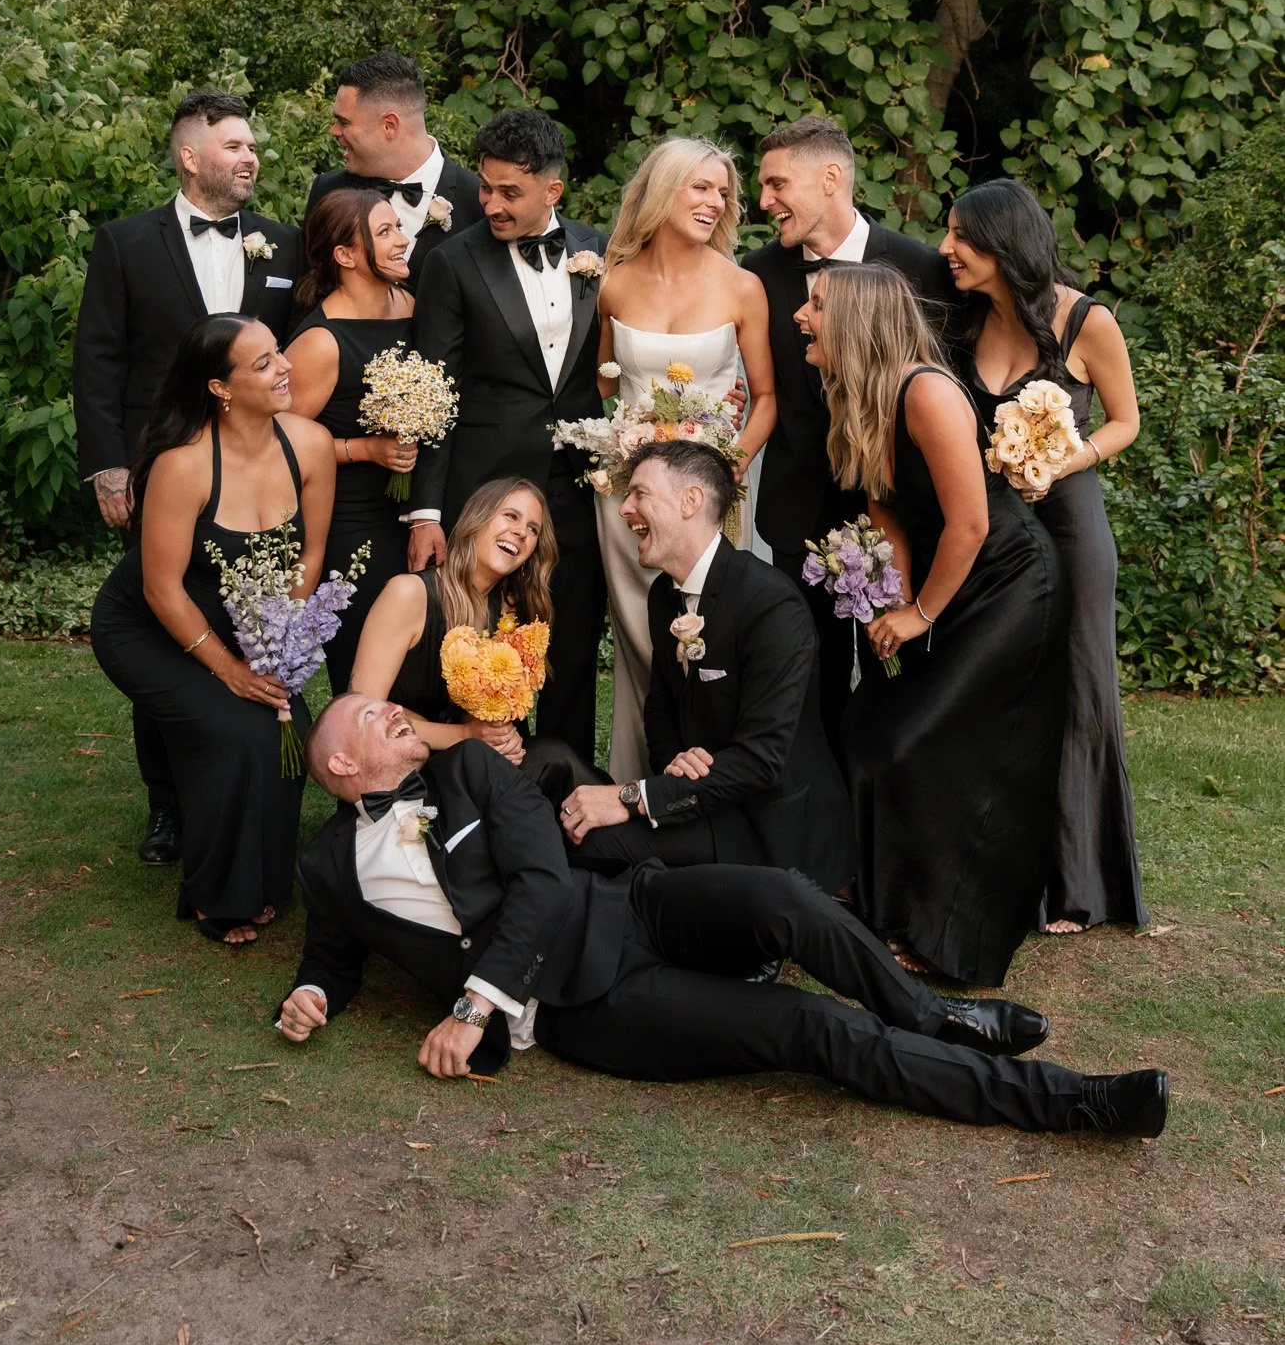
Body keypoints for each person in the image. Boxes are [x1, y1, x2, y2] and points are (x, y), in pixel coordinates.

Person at [276, 696, 1171, 1142]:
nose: (402, 716)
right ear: (342, 763)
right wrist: (313, 992)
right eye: (380, 719)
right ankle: (1075, 1102)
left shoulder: (467, 771)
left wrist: (470, 1008)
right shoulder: (328, 865)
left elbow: (546, 879)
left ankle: (934, 1013)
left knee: (784, 894)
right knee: (810, 1025)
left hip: (628, 905)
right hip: (592, 1002)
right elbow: (334, 955)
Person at [801, 263, 1069, 987]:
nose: (801, 317)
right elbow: (886, 509)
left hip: (1009, 585)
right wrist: (896, 600)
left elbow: (971, 521)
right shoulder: (856, 395)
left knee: (917, 741)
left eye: (816, 306)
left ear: (856, 321)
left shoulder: (928, 392)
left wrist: (921, 613)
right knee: (867, 725)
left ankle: (948, 928)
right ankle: (885, 900)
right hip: (943, 585)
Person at [73, 89, 301, 864]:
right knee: (164, 623)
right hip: (159, 471)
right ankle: (166, 805)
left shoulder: (283, 243)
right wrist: (108, 464)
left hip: (255, 474)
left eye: (252, 146)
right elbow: (98, 357)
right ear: (190, 155)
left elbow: (292, 357)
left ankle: (248, 778)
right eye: (234, 146)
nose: (250, 158)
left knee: (248, 620)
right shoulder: (125, 244)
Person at [942, 178, 1147, 936]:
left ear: (1004, 242)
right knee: (996, 691)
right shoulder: (962, 322)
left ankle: (1074, 886)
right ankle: (993, 871)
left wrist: (1066, 457)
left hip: (1066, 528)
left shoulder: (1085, 320)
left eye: (961, 235)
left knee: (1075, 690)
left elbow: (1126, 421)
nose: (946, 249)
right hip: (990, 534)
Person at [89, 315, 335, 944]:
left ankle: (261, 882)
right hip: (148, 627)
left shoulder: (308, 444)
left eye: (278, 353)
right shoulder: (183, 465)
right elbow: (160, 589)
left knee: (288, 728)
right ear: (221, 388)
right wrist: (230, 670)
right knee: (233, 731)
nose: (283, 367)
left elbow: (309, 556)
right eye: (261, 364)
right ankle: (216, 895)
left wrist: (280, 638)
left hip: (249, 627)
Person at [744, 116, 958, 757]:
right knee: (809, 687)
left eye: (778, 183)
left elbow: (943, 390)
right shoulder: (758, 274)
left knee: (910, 683)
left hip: (901, 512)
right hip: (798, 515)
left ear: (831, 178)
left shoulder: (919, 267)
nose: (763, 202)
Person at [558, 443, 856, 894]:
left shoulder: (770, 603)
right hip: (699, 800)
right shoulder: (663, 595)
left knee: (592, 844)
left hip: (764, 826)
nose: (624, 509)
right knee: (549, 761)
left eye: (639, 493)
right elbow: (659, 708)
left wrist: (633, 797)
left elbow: (761, 762)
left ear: (690, 501)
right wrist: (674, 761)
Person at [406, 110, 608, 762]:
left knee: (572, 647)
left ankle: (566, 787)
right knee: (484, 649)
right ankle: (479, 785)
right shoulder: (452, 262)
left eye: (509, 192)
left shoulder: (600, 251)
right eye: (484, 188)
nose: (490, 203)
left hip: (576, 488)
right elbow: (434, 392)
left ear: (552, 191)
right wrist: (427, 509)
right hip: (485, 490)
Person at [594, 138, 776, 781]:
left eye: (722, 192)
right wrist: (629, 441)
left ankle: (714, 780)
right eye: (700, 187)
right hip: (628, 493)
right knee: (642, 639)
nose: (715, 201)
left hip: (714, 494)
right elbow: (606, 385)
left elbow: (768, 399)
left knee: (711, 633)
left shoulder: (743, 287)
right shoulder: (612, 283)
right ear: (663, 190)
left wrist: (730, 465)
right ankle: (635, 785)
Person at [348, 475, 581, 798]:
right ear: (477, 518)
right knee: (552, 761)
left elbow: (492, 718)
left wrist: (503, 736)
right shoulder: (409, 594)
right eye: (511, 516)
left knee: (556, 761)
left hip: (473, 764)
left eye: (532, 529)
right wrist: (467, 734)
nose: (521, 532)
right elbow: (361, 715)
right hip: (402, 773)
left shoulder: (510, 613)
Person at [285, 189, 417, 692]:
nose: (402, 240)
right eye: (384, 233)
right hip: (351, 522)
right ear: (345, 255)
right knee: (367, 673)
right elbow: (279, 444)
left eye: (397, 228)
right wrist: (363, 449)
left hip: (415, 513)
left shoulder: (412, 304)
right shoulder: (321, 342)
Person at [303, 52, 483, 292]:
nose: (334, 131)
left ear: (389, 125)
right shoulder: (328, 191)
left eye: (344, 122)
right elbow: (306, 293)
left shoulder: (478, 202)